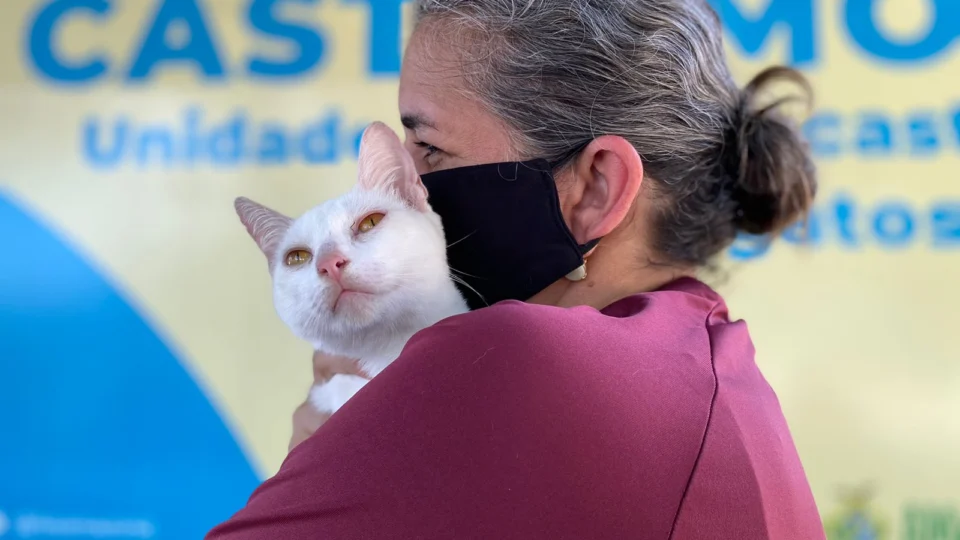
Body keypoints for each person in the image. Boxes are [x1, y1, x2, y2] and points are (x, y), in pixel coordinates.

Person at [208, 0, 824, 538]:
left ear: (596, 190)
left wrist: (316, 459)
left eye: (429, 149)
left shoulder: (517, 358)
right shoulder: (709, 361)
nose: (406, 186)